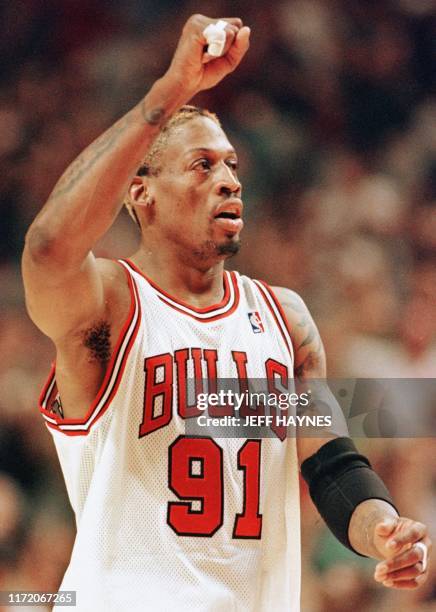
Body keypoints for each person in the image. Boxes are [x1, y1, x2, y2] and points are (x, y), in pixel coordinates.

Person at [22, 14, 431, 612]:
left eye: (233, 166)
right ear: (142, 193)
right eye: (202, 165)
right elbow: (48, 247)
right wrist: (173, 89)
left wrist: (382, 531)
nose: (229, 181)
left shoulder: (284, 317)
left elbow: (333, 465)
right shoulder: (109, 301)